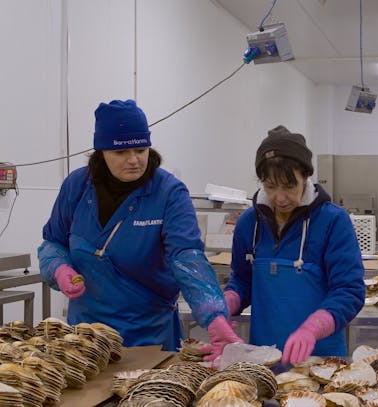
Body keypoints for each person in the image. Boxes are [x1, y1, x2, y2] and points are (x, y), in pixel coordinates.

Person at [38, 99, 242, 353]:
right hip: (87, 337)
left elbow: (186, 256)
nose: (134, 160)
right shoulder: (77, 187)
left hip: (149, 335)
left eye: (141, 149)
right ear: (101, 152)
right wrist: (58, 268)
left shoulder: (168, 193)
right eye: (121, 153)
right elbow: (52, 243)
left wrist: (214, 316)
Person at [221, 125, 365, 365]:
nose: (279, 197)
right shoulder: (249, 223)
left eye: (289, 186)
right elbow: (243, 279)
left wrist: (314, 327)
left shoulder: (333, 221)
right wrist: (229, 301)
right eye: (270, 186)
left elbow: (349, 290)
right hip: (263, 356)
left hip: (322, 357)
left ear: (306, 177)